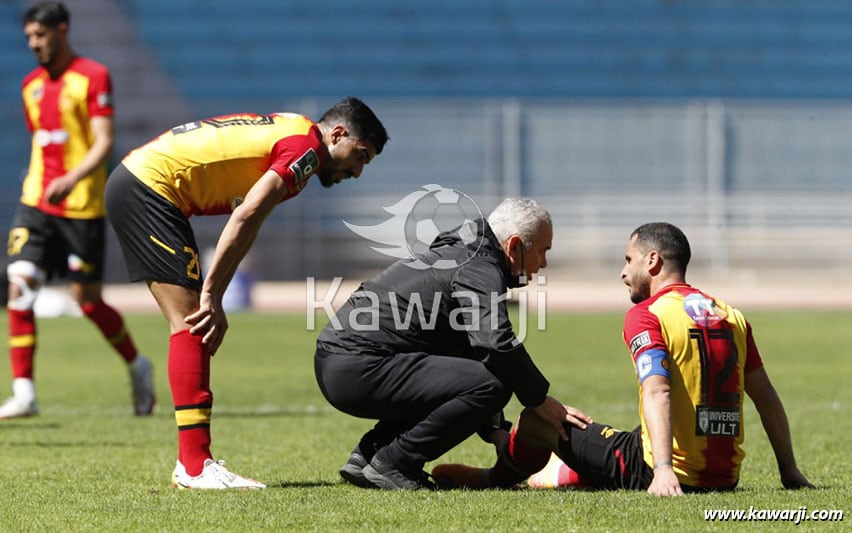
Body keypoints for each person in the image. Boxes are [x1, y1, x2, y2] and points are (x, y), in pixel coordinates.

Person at [104, 97, 388, 489]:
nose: (356, 171)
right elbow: (246, 214)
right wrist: (211, 295)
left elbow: (249, 222)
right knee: (192, 322)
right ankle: (194, 466)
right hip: (150, 188)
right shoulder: (305, 149)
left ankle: (193, 464)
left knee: (193, 321)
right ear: (337, 134)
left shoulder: (296, 131)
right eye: (360, 156)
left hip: (145, 183)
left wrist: (215, 293)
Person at [432, 222, 814, 495]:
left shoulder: (648, 315)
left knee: (537, 418)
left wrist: (663, 471)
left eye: (629, 259)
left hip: (669, 472)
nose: (622, 272)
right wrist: (790, 471)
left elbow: (658, 392)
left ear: (652, 261)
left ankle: (493, 479)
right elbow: (766, 397)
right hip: (725, 478)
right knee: (625, 436)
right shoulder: (730, 315)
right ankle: (563, 473)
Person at [314, 198, 592, 490]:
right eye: (543, 251)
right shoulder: (479, 266)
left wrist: (496, 431)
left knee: (472, 375)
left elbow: (470, 355)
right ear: (514, 246)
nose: (544, 263)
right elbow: (495, 342)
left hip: (340, 361)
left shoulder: (463, 252)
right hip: (358, 365)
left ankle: (370, 454)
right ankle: (395, 461)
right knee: (493, 385)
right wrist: (539, 400)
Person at [3, 1, 154, 419]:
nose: (34, 44)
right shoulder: (30, 85)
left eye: (40, 35)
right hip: (36, 203)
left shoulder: (92, 76)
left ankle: (137, 365)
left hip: (82, 206)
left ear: (62, 30)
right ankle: (24, 393)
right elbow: (41, 142)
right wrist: (44, 181)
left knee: (88, 302)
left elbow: (104, 140)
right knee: (19, 287)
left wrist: (71, 178)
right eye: (29, 37)